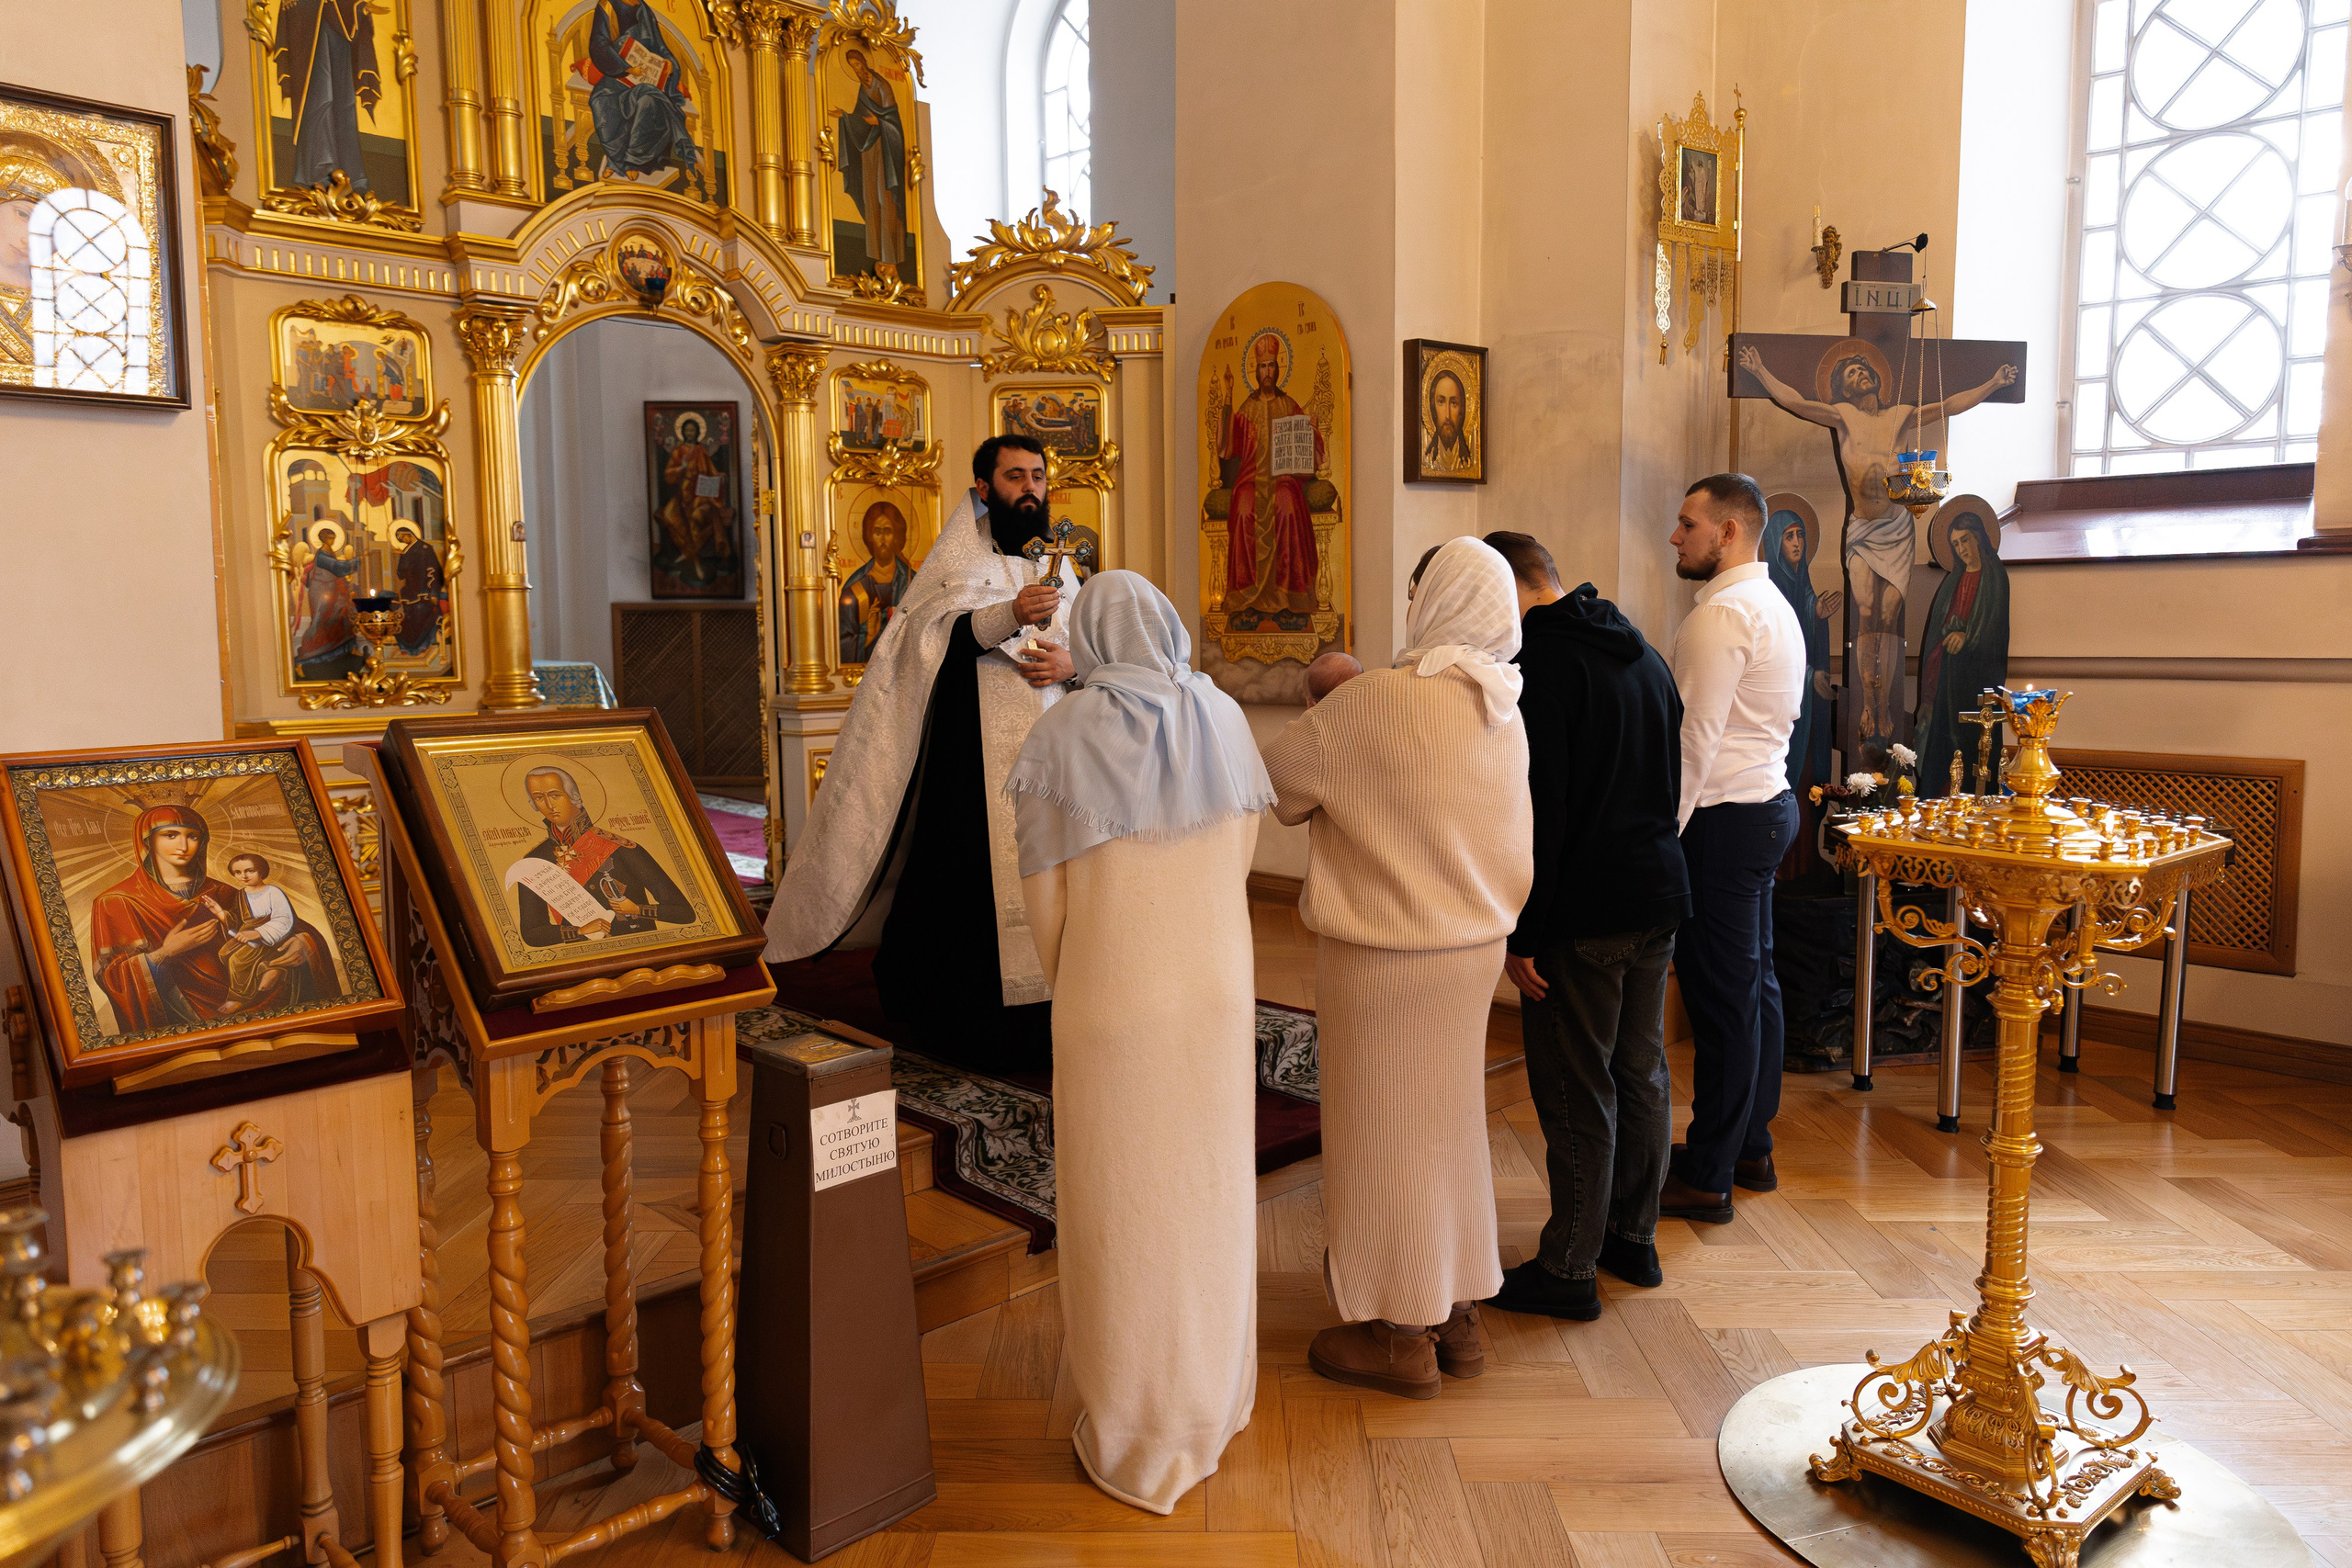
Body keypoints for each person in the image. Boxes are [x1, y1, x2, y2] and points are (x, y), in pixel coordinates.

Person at [1008, 571, 1273, 1513]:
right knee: (1203, 1198)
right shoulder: (1229, 719)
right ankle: (1210, 1400)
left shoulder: (1062, 733)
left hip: (1111, 1004)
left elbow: (1046, 906)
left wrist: (1079, 977)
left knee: (1120, 1209)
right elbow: (1240, 860)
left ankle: (1129, 1428)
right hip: (1213, 997)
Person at [1264, 536, 1532, 1400]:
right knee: (1450, 1129)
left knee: (1379, 1138)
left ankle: (1396, 1334)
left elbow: (1280, 788)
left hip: (1383, 956)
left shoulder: (1373, 700)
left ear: (1434, 603)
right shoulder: (1505, 706)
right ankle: (1457, 1313)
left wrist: (1323, 699)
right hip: (1470, 956)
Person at [764, 435, 1072, 1076]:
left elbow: (1096, 639)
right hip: (972, 764)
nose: (1031, 489)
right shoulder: (958, 559)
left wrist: (1075, 660)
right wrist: (1007, 613)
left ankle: (1055, 1007)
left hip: (1054, 765)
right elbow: (926, 639)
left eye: (1038, 476)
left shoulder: (1063, 565)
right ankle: (966, 1015)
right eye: (1016, 476)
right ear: (984, 487)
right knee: (967, 890)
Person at [1476, 532, 1689, 1321]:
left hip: (1584, 910)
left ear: (1509, 588)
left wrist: (1524, 931)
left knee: (1575, 1085)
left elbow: (1548, 813)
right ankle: (1632, 1236)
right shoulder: (1639, 650)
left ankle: (1569, 1267)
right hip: (1659, 893)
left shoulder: (1544, 668)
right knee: (1641, 1072)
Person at [1662, 474, 1805, 1224]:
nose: (1676, 537)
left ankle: (1711, 1173)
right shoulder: (1772, 605)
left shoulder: (1722, 618)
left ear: (1728, 533)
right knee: (1756, 990)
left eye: (1688, 524)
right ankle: (1749, 1144)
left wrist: (1663, 834)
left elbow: (1694, 741)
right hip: (1764, 810)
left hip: (1722, 820)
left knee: (1723, 999)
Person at [514, 766, 695, 946]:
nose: (549, 805)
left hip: (638, 950)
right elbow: (532, 934)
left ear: (574, 796)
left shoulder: (620, 847)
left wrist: (638, 910)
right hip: (584, 960)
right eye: (539, 798)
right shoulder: (534, 861)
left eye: (555, 795)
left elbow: (684, 913)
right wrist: (579, 931)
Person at [1215, 333, 1323, 630]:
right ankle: (1246, 601)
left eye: (1272, 366)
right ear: (1256, 371)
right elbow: (1226, 450)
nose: (1267, 372)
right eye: (1261, 367)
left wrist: (1311, 430)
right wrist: (1227, 397)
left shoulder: (1290, 406)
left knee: (1288, 509)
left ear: (1278, 369)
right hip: (1251, 477)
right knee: (1243, 511)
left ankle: (1290, 600)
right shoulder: (1246, 410)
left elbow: (1311, 458)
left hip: (1283, 480)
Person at [1913, 512, 2008, 795]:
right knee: (1943, 744)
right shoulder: (1952, 580)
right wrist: (1949, 635)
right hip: (1948, 679)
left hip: (1977, 681)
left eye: (1965, 540)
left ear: (1979, 537)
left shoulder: (1995, 578)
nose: (1962, 549)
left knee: (1973, 748)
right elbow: (1937, 632)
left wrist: (1968, 637)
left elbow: (1994, 630)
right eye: (1955, 544)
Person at [586, 0, 703, 186]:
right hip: (617, 76)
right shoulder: (607, 5)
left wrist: (670, 63)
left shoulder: (644, 10)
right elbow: (598, 45)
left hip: (645, 78)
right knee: (600, 101)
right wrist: (626, 68)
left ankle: (633, 160)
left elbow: (660, 47)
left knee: (648, 99)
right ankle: (616, 161)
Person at [208, 852, 340, 1010]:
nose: (244, 876)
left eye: (250, 871)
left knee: (238, 960)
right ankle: (268, 968)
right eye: (238, 872)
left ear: (261, 871)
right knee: (224, 954)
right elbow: (238, 919)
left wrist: (257, 933)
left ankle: (240, 997)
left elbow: (284, 919)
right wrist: (221, 914)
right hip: (248, 935)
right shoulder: (241, 895)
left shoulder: (273, 892)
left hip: (271, 936)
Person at [275, 0, 380, 192]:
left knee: (344, 103)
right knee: (321, 96)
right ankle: (320, 167)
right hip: (311, 28)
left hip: (338, 31)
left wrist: (359, 6)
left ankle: (351, 172)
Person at [832, 49, 907, 280]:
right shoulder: (862, 89)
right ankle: (876, 254)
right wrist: (844, 116)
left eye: (857, 64)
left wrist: (880, 122)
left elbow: (894, 120)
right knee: (870, 197)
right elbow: (859, 116)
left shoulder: (882, 86)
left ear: (865, 62)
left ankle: (891, 256)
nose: (856, 69)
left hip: (885, 150)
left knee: (885, 198)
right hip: (868, 150)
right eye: (852, 66)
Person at [838, 501, 920, 666]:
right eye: (877, 532)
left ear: (897, 535)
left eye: (888, 532)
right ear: (868, 536)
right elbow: (842, 641)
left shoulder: (914, 581)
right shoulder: (854, 587)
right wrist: (868, 637)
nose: (882, 539)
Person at [1423, 370, 1471, 472]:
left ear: (1462, 409)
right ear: (1432, 407)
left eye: (1454, 403)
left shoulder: (1469, 462)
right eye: (1441, 402)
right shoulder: (1427, 458)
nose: (1447, 415)